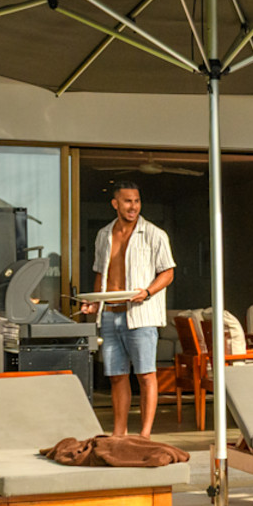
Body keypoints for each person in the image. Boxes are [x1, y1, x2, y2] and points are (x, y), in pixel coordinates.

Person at [80, 179, 175, 437]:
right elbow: (101, 274)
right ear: (115, 203)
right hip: (110, 315)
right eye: (127, 201)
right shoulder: (103, 235)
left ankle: (144, 435)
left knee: (146, 376)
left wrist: (147, 292)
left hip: (141, 316)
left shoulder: (155, 234)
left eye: (136, 201)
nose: (133, 206)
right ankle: (118, 434)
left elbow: (167, 273)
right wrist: (94, 300)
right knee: (117, 376)